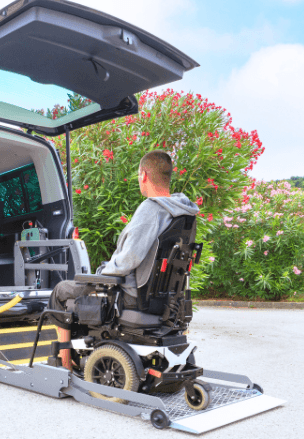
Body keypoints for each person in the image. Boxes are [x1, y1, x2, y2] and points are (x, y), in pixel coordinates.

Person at [48, 150, 199, 369]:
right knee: (81, 288)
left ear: (144, 175)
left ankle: (64, 363)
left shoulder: (152, 209)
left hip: (131, 296)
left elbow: (129, 259)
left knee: (61, 291)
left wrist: (100, 276)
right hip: (164, 301)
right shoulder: (183, 213)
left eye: (139, 175)